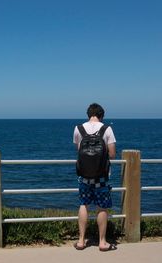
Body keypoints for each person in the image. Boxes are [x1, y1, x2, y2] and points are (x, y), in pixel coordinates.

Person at [73, 103, 117, 252]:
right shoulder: (107, 129)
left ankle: (80, 241)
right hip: (101, 176)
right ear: (101, 115)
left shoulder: (78, 128)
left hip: (84, 175)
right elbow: (112, 154)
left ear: (88, 114)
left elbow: (78, 150)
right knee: (102, 206)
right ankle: (102, 242)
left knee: (83, 204)